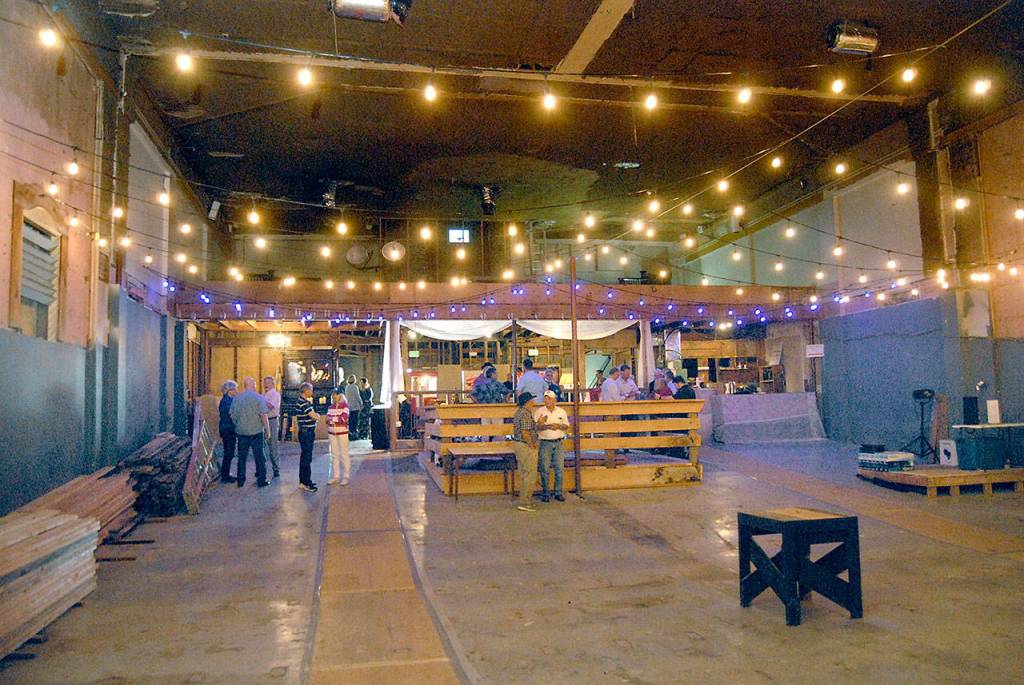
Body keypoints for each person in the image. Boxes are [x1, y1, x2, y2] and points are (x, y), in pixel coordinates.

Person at [229, 377, 271, 488]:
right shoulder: (259, 398)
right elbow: (263, 415)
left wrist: (238, 425)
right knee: (259, 457)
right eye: (255, 384)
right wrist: (268, 430)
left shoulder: (237, 398)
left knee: (242, 457)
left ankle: (241, 481)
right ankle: (261, 480)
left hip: (241, 432)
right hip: (256, 432)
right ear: (253, 385)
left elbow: (232, 415)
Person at [534, 390, 569, 502]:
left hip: (558, 442)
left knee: (559, 468)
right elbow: (535, 427)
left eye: (549, 398)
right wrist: (547, 426)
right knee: (544, 469)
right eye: (545, 398)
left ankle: (558, 492)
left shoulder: (561, 411)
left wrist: (558, 426)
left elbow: (566, 426)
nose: (546, 401)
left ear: (554, 400)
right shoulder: (539, 411)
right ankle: (546, 493)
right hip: (545, 442)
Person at [510, 392, 540, 512]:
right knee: (530, 474)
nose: (533, 402)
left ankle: (524, 500)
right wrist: (532, 445)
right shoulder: (526, 414)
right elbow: (525, 432)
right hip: (525, 445)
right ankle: (525, 501)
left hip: (518, 444)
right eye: (532, 400)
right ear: (528, 402)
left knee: (523, 473)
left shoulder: (519, 413)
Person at [295, 382, 319, 492]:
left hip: (304, 432)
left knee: (305, 457)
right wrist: (317, 416)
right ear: (306, 390)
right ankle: (306, 482)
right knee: (306, 458)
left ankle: (303, 480)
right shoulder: (304, 403)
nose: (312, 392)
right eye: (311, 390)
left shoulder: (301, 401)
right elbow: (313, 416)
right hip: (307, 433)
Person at [325, 388, 351, 485]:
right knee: (334, 455)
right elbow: (327, 419)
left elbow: (343, 419)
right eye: (333, 395)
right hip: (332, 433)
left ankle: (346, 476)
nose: (334, 397)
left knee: (344, 454)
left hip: (342, 433)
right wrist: (334, 419)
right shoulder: (330, 407)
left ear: (340, 395)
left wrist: (332, 419)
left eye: (335, 395)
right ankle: (336, 476)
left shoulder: (345, 406)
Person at [218, 380, 238, 483]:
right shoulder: (228, 401)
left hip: (226, 428)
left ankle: (225, 473)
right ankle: (225, 476)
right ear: (230, 390)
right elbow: (231, 415)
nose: (236, 391)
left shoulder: (226, 400)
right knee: (229, 452)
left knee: (228, 452)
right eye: (235, 389)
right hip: (228, 429)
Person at [261, 376, 281, 479]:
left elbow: (271, 406)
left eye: (267, 383)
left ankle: (276, 468)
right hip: (263, 421)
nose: (265, 385)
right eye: (264, 383)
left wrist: (261, 400)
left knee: (273, 445)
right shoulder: (264, 394)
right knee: (262, 445)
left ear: (272, 384)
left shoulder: (274, 394)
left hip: (271, 420)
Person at [344, 375, 364, 440]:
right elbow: (358, 396)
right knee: (355, 421)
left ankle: (350, 434)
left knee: (350, 421)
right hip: (355, 406)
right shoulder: (355, 387)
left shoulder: (346, 387)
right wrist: (361, 404)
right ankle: (355, 435)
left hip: (349, 406)